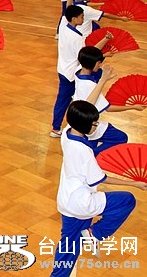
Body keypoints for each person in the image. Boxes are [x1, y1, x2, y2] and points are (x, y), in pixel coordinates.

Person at [48, 100, 144, 277]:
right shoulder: (84, 152)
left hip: (66, 201)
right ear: (83, 124)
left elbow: (85, 103)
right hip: (83, 203)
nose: (96, 126)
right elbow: (102, 178)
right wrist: (134, 183)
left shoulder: (67, 133)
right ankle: (95, 234)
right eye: (94, 123)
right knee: (126, 200)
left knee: (68, 246)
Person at [51, 6, 113, 138]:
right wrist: (104, 51)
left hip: (62, 69)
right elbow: (85, 56)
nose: (83, 19)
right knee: (65, 101)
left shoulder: (63, 25)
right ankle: (58, 128)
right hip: (71, 74)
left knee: (63, 100)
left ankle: (57, 127)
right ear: (74, 18)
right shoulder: (76, 38)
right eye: (81, 17)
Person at [74, 47, 141, 154]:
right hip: (89, 124)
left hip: (78, 120)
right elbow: (108, 108)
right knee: (121, 137)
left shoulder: (78, 71)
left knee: (91, 143)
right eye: (99, 63)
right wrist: (133, 107)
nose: (100, 65)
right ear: (93, 63)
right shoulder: (90, 86)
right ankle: (94, 155)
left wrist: (104, 56)